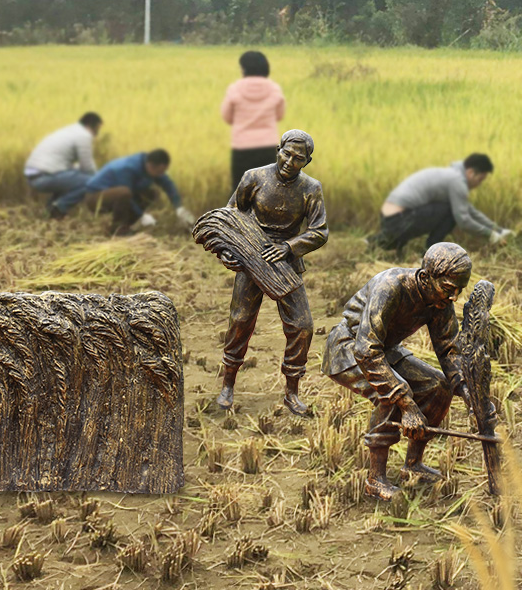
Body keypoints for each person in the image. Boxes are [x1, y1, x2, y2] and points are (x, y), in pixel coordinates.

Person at [321, 243, 480, 500]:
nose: (454, 298)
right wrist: (406, 403)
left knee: (439, 387)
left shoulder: (439, 302)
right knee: (392, 393)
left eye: (459, 290)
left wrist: (467, 390)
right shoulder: (390, 287)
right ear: (426, 277)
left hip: (385, 350)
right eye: (449, 289)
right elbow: (366, 350)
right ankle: (375, 480)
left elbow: (449, 351)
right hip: (348, 348)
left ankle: (413, 465)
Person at [217, 129, 328, 416]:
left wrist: (290, 248)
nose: (290, 161)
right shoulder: (254, 177)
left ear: (307, 161)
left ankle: (292, 392)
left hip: (286, 264)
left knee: (302, 327)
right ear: (278, 149)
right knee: (240, 320)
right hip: (252, 255)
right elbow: (230, 215)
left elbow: (319, 232)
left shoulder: (311, 189)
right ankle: (227, 384)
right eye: (286, 153)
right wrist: (229, 250)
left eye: (298, 158)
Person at [370, 153, 512, 255]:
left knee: (450, 209)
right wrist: (491, 235)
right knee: (451, 212)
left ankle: (380, 240)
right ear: (470, 172)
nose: (479, 184)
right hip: (399, 220)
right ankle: (429, 252)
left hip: (391, 218)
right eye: (480, 179)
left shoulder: (451, 176)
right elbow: (463, 220)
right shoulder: (457, 182)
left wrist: (498, 230)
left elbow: (469, 210)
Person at [84, 149, 195, 235]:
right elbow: (127, 196)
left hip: (117, 194)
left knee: (151, 193)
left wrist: (179, 208)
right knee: (124, 192)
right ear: (151, 166)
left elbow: (168, 184)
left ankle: (126, 226)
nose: (161, 175)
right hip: (95, 198)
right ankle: (118, 229)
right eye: (160, 171)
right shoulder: (127, 168)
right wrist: (142, 216)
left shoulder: (150, 165)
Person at [221, 50, 286, 192]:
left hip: (241, 148)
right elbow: (280, 115)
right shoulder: (274, 89)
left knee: (240, 191)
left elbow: (226, 116)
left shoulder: (235, 89)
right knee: (268, 192)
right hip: (268, 148)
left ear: (244, 69)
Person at [24, 112, 103, 218]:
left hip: (34, 176)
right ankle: (59, 208)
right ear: (90, 126)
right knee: (90, 182)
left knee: (75, 179)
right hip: (44, 176)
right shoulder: (84, 135)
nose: (97, 134)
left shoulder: (70, 131)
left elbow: (76, 167)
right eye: (97, 129)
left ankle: (49, 211)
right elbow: (87, 166)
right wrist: (101, 179)